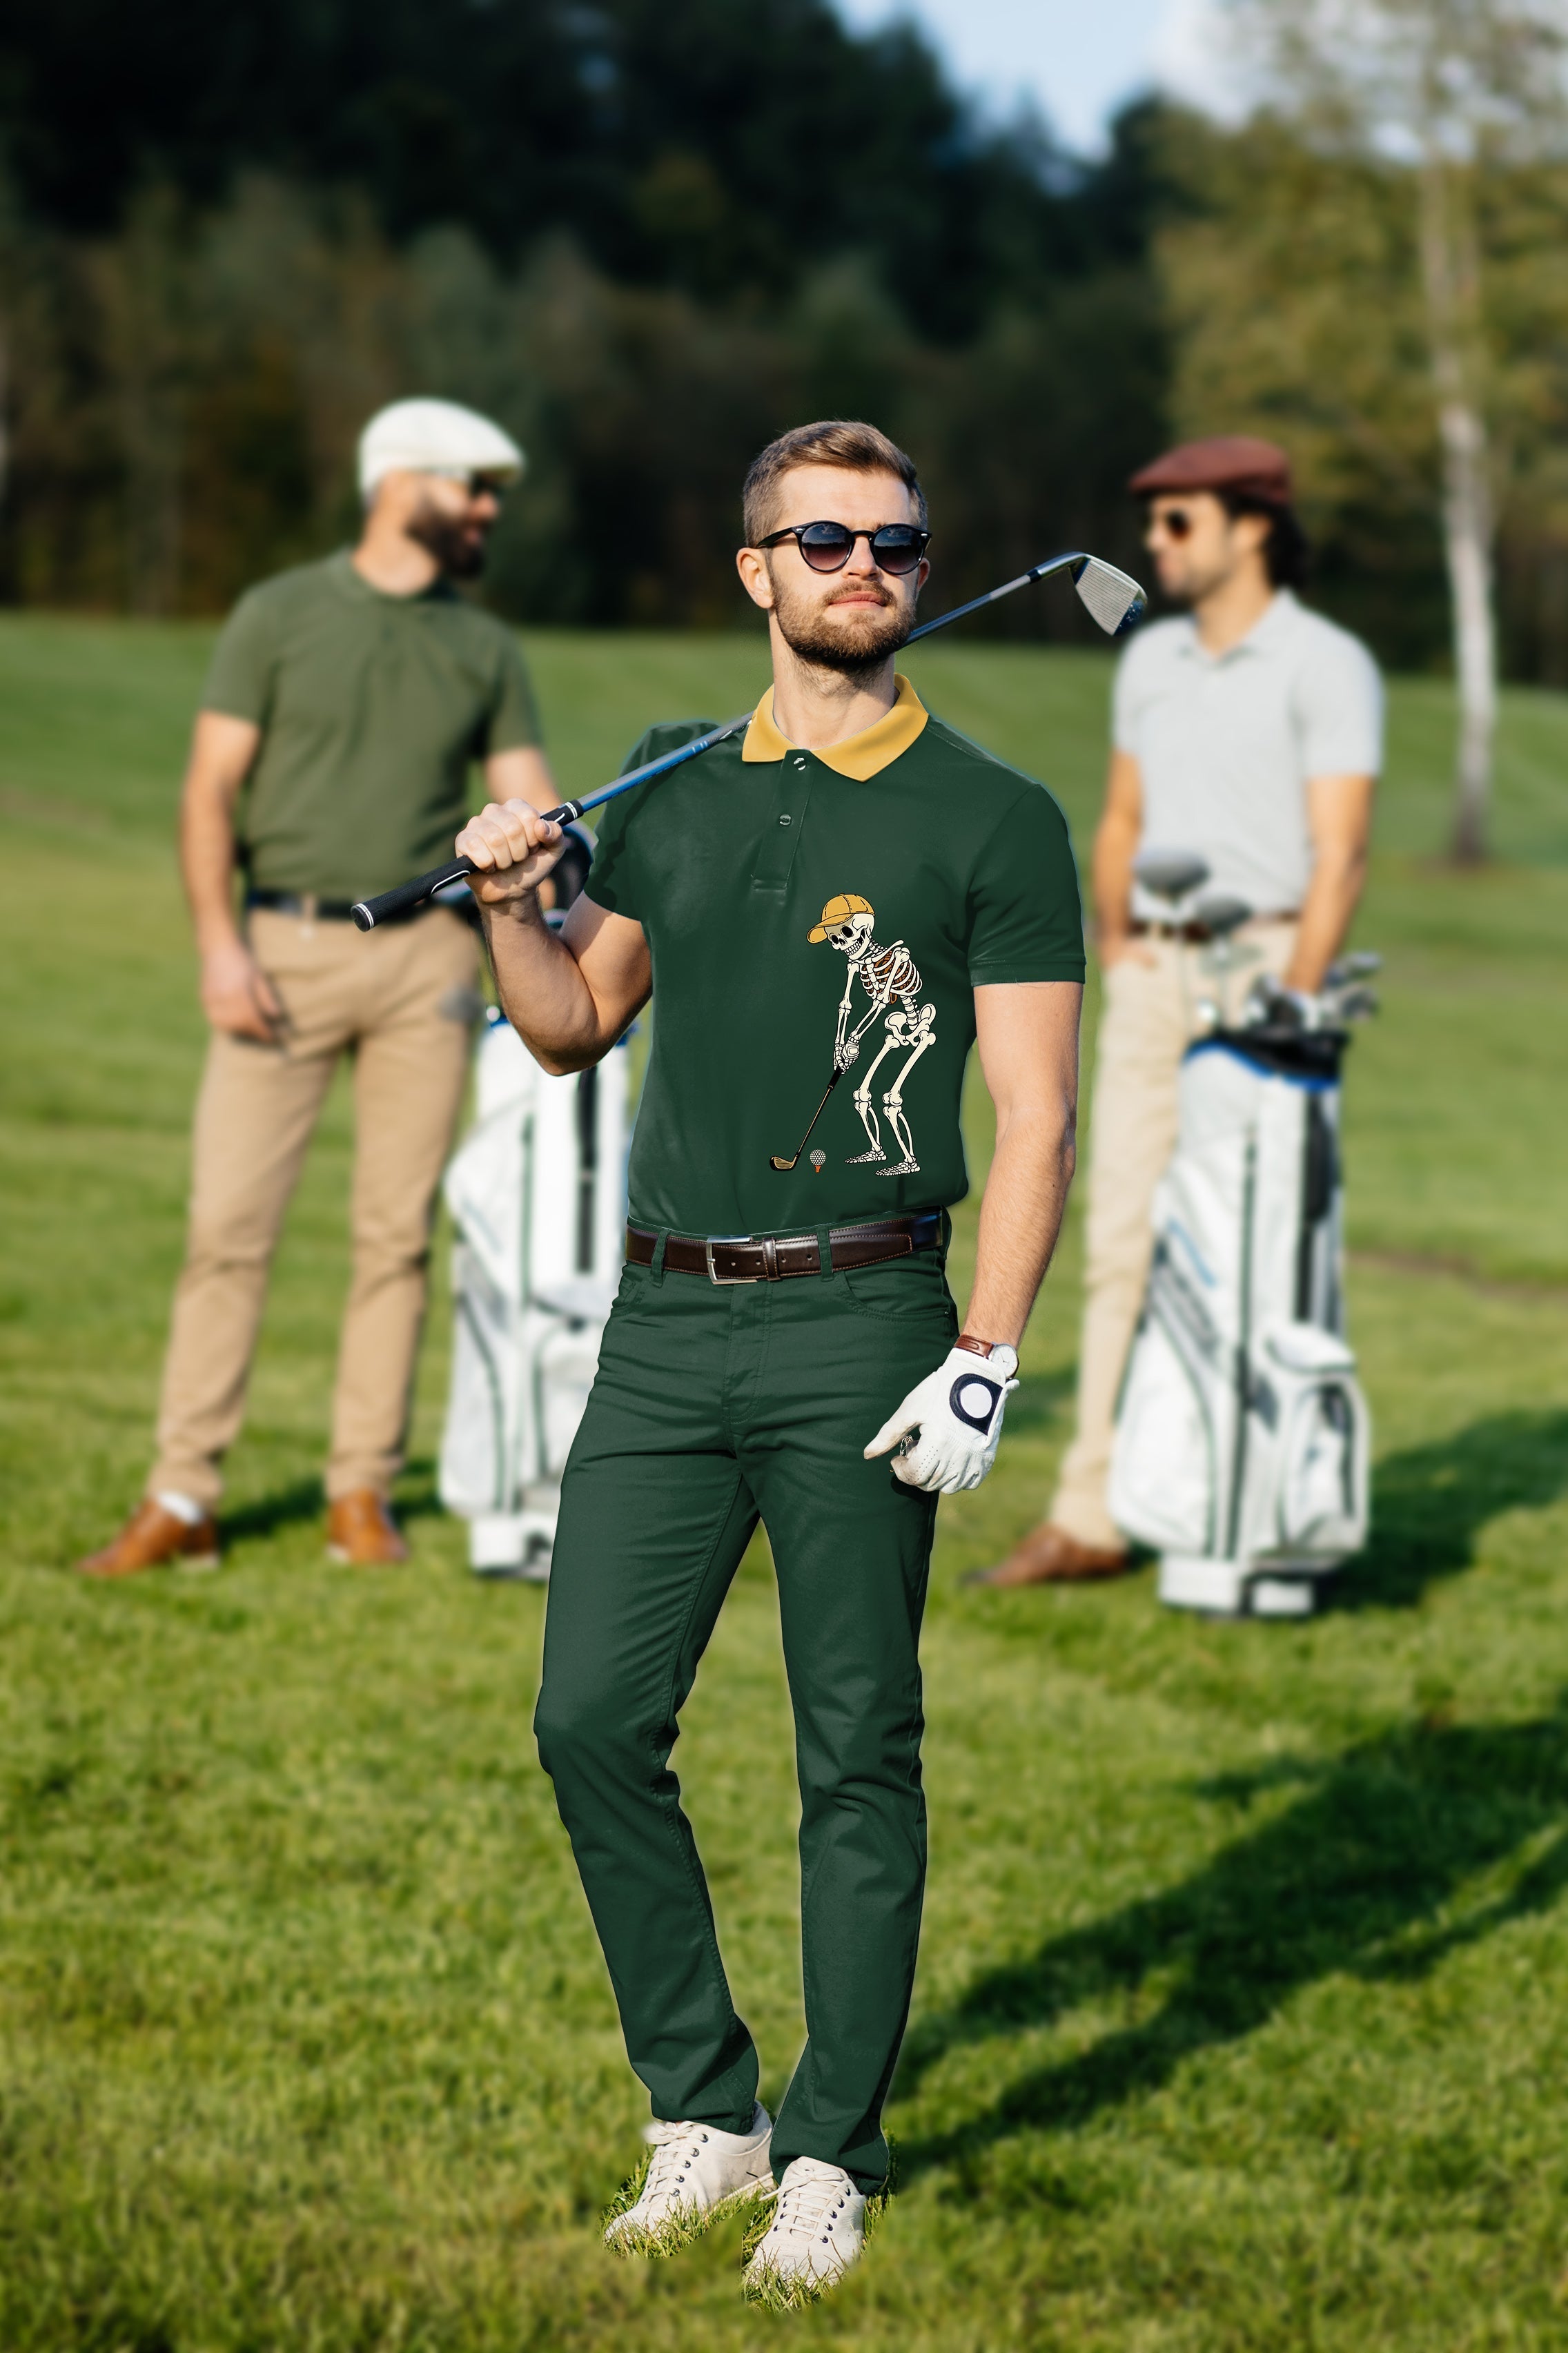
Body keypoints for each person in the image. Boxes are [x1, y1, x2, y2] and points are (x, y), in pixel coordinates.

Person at [453, 419, 1084, 2301]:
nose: (863, 566)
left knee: (854, 1750)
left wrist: (987, 1352)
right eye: (822, 540)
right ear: (759, 574)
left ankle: (827, 2152)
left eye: (893, 540)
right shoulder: (670, 788)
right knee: (586, 1717)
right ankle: (703, 2106)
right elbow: (570, 1025)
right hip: (664, 1323)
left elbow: (1039, 1114)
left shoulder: (994, 816)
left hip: (866, 1317)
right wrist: (508, 900)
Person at [77, 398, 556, 1577]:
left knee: (394, 1238)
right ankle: (183, 1494)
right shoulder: (277, 614)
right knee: (226, 1230)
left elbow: (534, 800)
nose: (489, 508)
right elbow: (208, 792)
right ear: (400, 483)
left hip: (430, 966)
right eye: (473, 486)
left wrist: (556, 871)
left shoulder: (484, 645)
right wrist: (217, 947)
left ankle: (360, 1496)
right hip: (278, 950)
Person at [976, 433, 1382, 1589]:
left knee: (1252, 1250)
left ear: (1254, 525)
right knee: (1118, 1245)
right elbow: (1120, 820)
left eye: (1179, 522)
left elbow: (1341, 854)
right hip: (1154, 973)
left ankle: (1246, 1507)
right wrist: (1122, 944)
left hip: (1265, 972)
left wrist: (1294, 1004)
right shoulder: (1149, 662)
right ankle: (1094, 1510)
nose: (1155, 544)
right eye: (1151, 523)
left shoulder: (1326, 662)